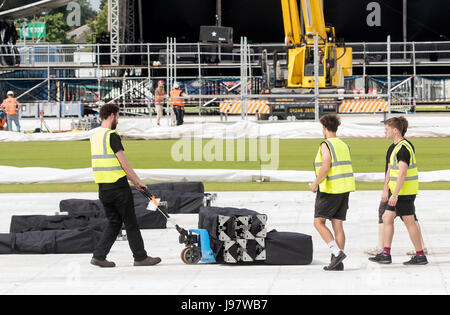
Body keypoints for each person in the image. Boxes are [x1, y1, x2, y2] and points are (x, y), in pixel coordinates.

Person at [90, 103, 161, 268]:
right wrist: (137, 181)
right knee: (130, 223)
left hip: (103, 187)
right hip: (118, 187)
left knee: (114, 222)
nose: (118, 120)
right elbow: (123, 163)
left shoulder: (95, 136)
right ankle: (140, 257)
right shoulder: (111, 135)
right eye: (118, 116)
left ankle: (99, 256)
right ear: (112, 115)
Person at [369, 116, 428, 265]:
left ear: (395, 131)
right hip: (399, 192)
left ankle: (420, 255)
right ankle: (385, 254)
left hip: (403, 193)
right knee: (387, 218)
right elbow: (390, 170)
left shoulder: (402, 148)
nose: (384, 132)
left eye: (387, 130)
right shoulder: (397, 147)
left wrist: (394, 194)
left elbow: (402, 172)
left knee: (410, 222)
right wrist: (387, 190)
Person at [310, 114, 356, 271]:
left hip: (330, 189)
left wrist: (315, 183)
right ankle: (338, 263)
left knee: (319, 222)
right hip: (345, 189)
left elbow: (326, 166)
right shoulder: (344, 145)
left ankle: (336, 253)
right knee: (338, 225)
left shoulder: (326, 144)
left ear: (324, 128)